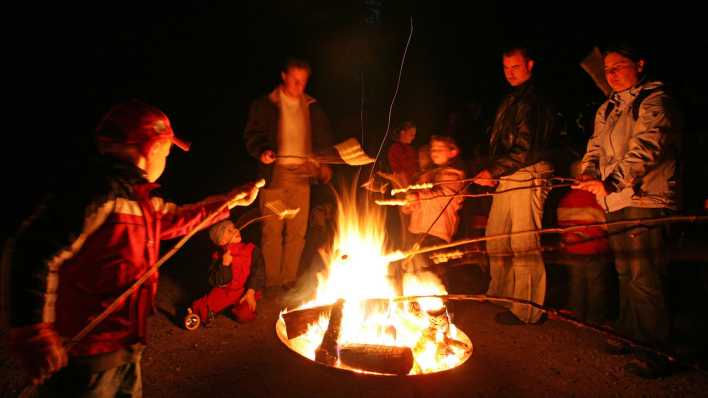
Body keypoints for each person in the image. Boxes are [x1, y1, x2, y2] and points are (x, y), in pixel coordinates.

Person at [4, 99, 262, 397]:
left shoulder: (139, 201)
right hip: (88, 354)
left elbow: (177, 219)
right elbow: (32, 250)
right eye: (167, 153)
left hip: (125, 347)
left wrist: (229, 200)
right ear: (151, 150)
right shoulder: (95, 195)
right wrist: (34, 334)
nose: (166, 160)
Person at [574, 44, 682, 379]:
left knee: (644, 274)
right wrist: (588, 172)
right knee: (625, 271)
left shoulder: (655, 101)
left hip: (646, 199)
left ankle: (656, 350)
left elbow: (649, 146)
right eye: (607, 70)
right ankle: (630, 332)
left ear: (640, 64)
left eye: (619, 66)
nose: (612, 74)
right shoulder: (608, 108)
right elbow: (594, 146)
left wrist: (615, 181)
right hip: (617, 201)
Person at [472, 47, 559, 325]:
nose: (510, 72)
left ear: (530, 64)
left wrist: (494, 169)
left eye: (516, 67)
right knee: (496, 234)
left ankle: (527, 308)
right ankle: (502, 294)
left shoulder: (534, 100)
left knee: (523, 242)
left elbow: (526, 148)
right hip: (510, 172)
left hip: (529, 172)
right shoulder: (512, 99)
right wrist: (494, 168)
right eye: (506, 67)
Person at [244, 57, 334, 290]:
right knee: (272, 229)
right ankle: (272, 280)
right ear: (284, 76)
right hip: (275, 174)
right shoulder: (265, 105)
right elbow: (252, 135)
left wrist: (322, 162)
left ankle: (288, 278)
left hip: (301, 176)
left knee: (297, 232)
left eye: (303, 81)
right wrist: (262, 151)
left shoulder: (312, 107)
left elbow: (323, 140)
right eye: (295, 80)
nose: (299, 86)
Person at [185, 220, 265, 329]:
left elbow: (259, 272)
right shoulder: (217, 256)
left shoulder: (252, 250)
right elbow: (216, 281)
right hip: (226, 291)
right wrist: (225, 265)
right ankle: (198, 313)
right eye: (230, 231)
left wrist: (251, 292)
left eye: (234, 228)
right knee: (203, 309)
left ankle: (233, 308)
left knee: (245, 315)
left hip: (245, 290)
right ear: (222, 241)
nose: (236, 230)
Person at [402, 135, 466, 268]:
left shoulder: (454, 175)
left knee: (432, 270)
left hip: (437, 232)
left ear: (452, 152)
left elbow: (442, 198)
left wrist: (418, 196)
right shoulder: (427, 174)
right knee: (414, 269)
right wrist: (410, 204)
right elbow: (417, 198)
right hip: (417, 230)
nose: (434, 152)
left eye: (440, 149)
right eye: (432, 149)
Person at [387, 121, 419, 188]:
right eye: (411, 134)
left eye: (414, 135)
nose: (413, 137)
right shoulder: (395, 148)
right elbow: (405, 166)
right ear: (402, 133)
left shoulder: (410, 148)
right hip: (402, 184)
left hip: (413, 182)